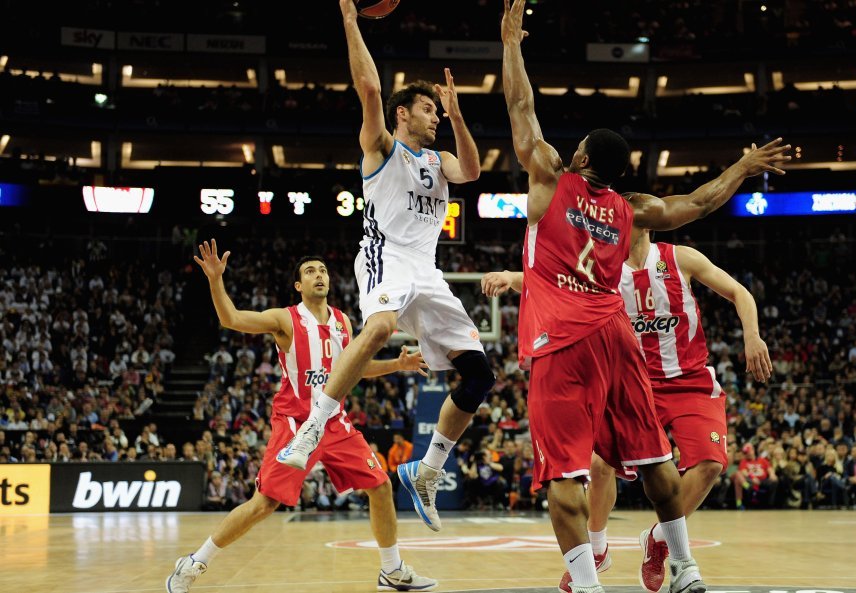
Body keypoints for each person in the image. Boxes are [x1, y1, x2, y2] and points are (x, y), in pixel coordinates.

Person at [497, 2, 790, 592]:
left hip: (564, 336)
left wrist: (511, 45)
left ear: (579, 158)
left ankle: (588, 582)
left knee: (565, 475)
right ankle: (684, 566)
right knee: (654, 459)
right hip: (617, 333)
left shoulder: (551, 180)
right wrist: (742, 164)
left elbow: (521, 107)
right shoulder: (630, 209)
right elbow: (701, 203)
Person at [277, 0, 494, 533]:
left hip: (427, 267)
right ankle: (315, 424)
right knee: (379, 328)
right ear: (404, 114)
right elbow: (370, 90)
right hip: (386, 254)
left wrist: (459, 113)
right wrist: (351, 20)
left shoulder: (439, 161)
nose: (435, 117)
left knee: (480, 374)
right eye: (428, 110)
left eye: (437, 112)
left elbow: (471, 168)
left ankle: (426, 470)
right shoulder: (381, 147)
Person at [482, 227, 773, 590]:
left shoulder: (680, 258)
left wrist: (752, 335)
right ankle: (598, 548)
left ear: (645, 222)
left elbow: (739, 292)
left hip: (688, 379)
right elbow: (553, 282)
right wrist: (510, 277)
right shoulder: (602, 266)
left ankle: (659, 539)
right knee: (599, 464)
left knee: (710, 463)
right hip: (631, 379)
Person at [166, 240, 437, 593]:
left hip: (334, 423)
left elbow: (355, 368)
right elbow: (230, 319)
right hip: (296, 424)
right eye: (310, 272)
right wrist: (216, 280)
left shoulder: (342, 321)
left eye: (322, 270)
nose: (318, 275)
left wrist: (397, 364)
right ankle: (192, 563)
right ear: (299, 285)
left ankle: (392, 570)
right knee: (265, 503)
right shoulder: (285, 319)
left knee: (381, 486)